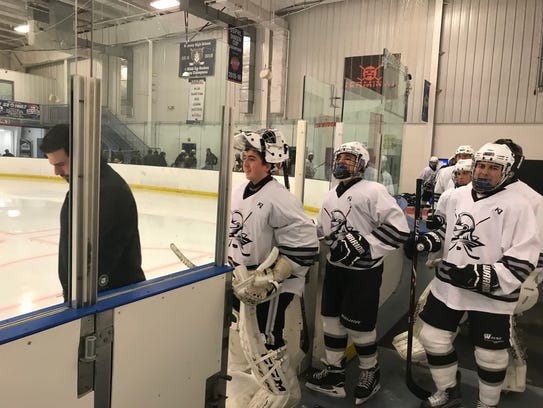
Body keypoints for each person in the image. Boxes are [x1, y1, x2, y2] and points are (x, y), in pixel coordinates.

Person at [410, 143, 540, 408]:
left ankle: (487, 403)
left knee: (490, 355)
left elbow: (523, 258)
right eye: (481, 165)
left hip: (492, 294)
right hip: (448, 286)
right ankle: (448, 390)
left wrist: (474, 276)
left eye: (494, 168)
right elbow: (448, 232)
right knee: (432, 338)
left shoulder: (520, 205)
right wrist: (426, 242)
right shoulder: (458, 195)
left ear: (507, 171)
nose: (484, 172)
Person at [305, 141, 410, 405]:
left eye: (349, 159)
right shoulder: (331, 194)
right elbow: (324, 230)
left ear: (362, 164)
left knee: (361, 328)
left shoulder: (373, 190)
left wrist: (365, 246)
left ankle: (369, 371)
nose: (342, 162)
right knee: (331, 321)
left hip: (363, 273)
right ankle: (334, 372)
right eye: (339, 158)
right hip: (336, 269)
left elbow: (399, 229)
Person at [228, 129, 318, 407]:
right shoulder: (238, 189)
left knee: (266, 340)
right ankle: (260, 384)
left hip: (269, 287)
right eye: (245, 157)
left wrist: (271, 277)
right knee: (244, 337)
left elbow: (305, 244)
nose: (246, 163)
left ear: (270, 164)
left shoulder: (280, 197)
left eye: (253, 158)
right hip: (241, 280)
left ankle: (285, 395)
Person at [40, 124, 146, 301]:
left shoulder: (107, 192)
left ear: (82, 156)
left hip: (108, 301)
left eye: (61, 164)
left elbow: (97, 259)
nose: (56, 172)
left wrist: (77, 298)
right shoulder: (86, 186)